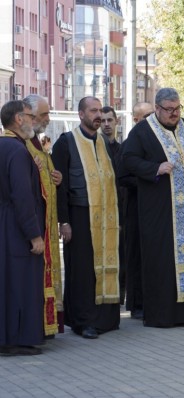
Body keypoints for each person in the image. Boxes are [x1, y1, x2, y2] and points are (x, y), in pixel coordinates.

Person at [122, 88, 184, 327]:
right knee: (162, 260)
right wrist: (154, 168)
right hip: (159, 210)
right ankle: (163, 314)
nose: (174, 114)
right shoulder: (143, 131)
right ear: (158, 108)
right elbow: (127, 160)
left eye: (177, 109)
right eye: (169, 110)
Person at [52, 96, 120, 339]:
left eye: (100, 110)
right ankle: (83, 321)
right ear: (81, 114)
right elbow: (60, 186)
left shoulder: (104, 142)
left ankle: (105, 318)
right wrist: (64, 221)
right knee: (81, 270)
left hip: (106, 217)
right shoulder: (67, 142)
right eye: (93, 111)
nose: (98, 115)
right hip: (80, 215)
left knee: (102, 267)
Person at [0, 100, 45, 356]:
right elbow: (23, 196)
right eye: (30, 116)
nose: (33, 120)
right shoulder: (17, 151)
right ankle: (18, 339)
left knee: (5, 281)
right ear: (18, 119)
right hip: (16, 226)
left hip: (3, 221)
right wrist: (34, 235)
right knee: (20, 282)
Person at [23, 94, 64, 337]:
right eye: (44, 115)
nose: (48, 119)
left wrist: (55, 178)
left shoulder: (36, 141)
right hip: (33, 225)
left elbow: (43, 175)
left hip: (46, 222)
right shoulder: (19, 143)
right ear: (28, 114)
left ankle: (46, 326)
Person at [118, 102, 153, 320]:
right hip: (136, 207)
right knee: (136, 255)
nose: (151, 119)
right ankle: (137, 303)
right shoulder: (131, 141)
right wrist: (149, 179)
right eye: (147, 115)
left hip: (156, 209)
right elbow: (123, 176)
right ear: (136, 119)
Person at [101, 105, 126, 304]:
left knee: (122, 256)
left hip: (122, 210)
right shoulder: (96, 148)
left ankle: (120, 296)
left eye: (110, 120)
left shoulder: (123, 149)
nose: (107, 125)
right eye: (103, 121)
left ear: (117, 121)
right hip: (101, 210)